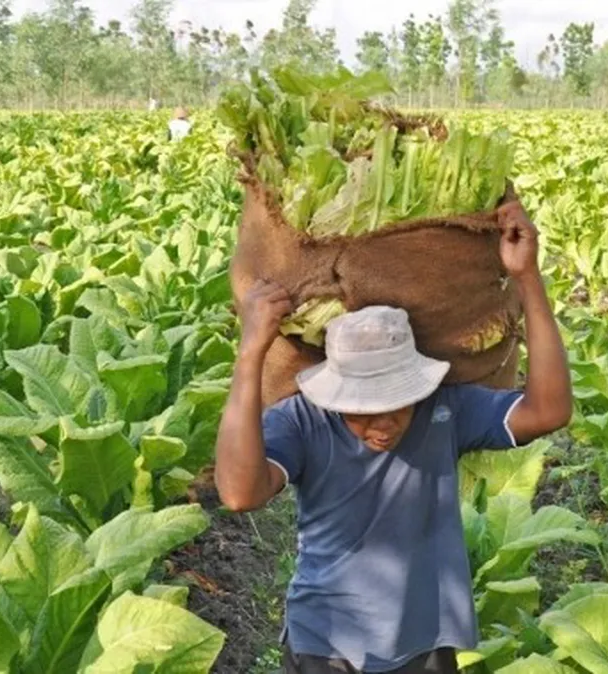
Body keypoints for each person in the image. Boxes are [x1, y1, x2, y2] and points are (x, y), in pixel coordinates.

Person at [214, 199, 574, 674]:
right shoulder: (302, 421)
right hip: (325, 644)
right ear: (335, 394)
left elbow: (549, 411)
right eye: (362, 410)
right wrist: (249, 354)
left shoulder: (444, 411)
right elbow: (240, 494)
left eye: (396, 401)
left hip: (425, 643)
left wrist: (527, 277)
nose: (380, 422)